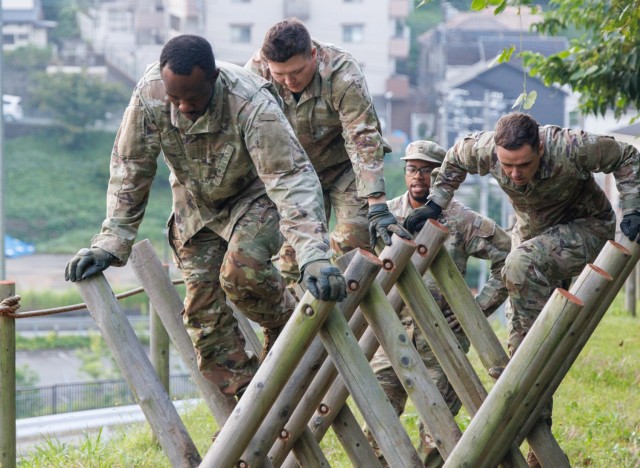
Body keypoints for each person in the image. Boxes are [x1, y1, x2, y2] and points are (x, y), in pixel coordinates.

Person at [64, 34, 347, 398]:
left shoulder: (249, 102)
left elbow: (290, 179)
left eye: (193, 98)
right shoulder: (149, 96)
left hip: (254, 195)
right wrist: (111, 240)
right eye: (175, 98)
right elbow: (131, 167)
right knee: (203, 320)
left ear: (213, 79)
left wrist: (313, 256)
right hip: (196, 202)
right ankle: (251, 405)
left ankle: (287, 322)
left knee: (240, 273)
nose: (182, 107)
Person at [403, 113, 640, 466]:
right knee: (523, 343)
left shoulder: (570, 146)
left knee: (519, 267)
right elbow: (453, 159)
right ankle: (535, 438)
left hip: (585, 228)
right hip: (532, 234)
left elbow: (626, 155)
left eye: (524, 164)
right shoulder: (482, 149)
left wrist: (633, 206)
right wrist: (437, 202)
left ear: (540, 148)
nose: (515, 173)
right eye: (507, 165)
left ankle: (525, 365)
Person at [366, 140, 511, 466]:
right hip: (390, 334)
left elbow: (509, 256)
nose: (419, 177)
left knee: (438, 433)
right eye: (413, 169)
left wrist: (478, 307)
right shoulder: (384, 216)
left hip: (442, 339)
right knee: (379, 425)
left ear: (442, 175)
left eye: (429, 170)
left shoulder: (459, 219)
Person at [245, 18, 410, 282]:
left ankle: (349, 320)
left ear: (313, 54)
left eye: (297, 72)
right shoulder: (254, 75)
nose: (289, 81)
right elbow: (247, 137)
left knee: (354, 243)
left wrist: (377, 203)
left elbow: (362, 136)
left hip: (345, 169)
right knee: (293, 259)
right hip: (294, 173)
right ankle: (296, 322)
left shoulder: (342, 71)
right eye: (280, 75)